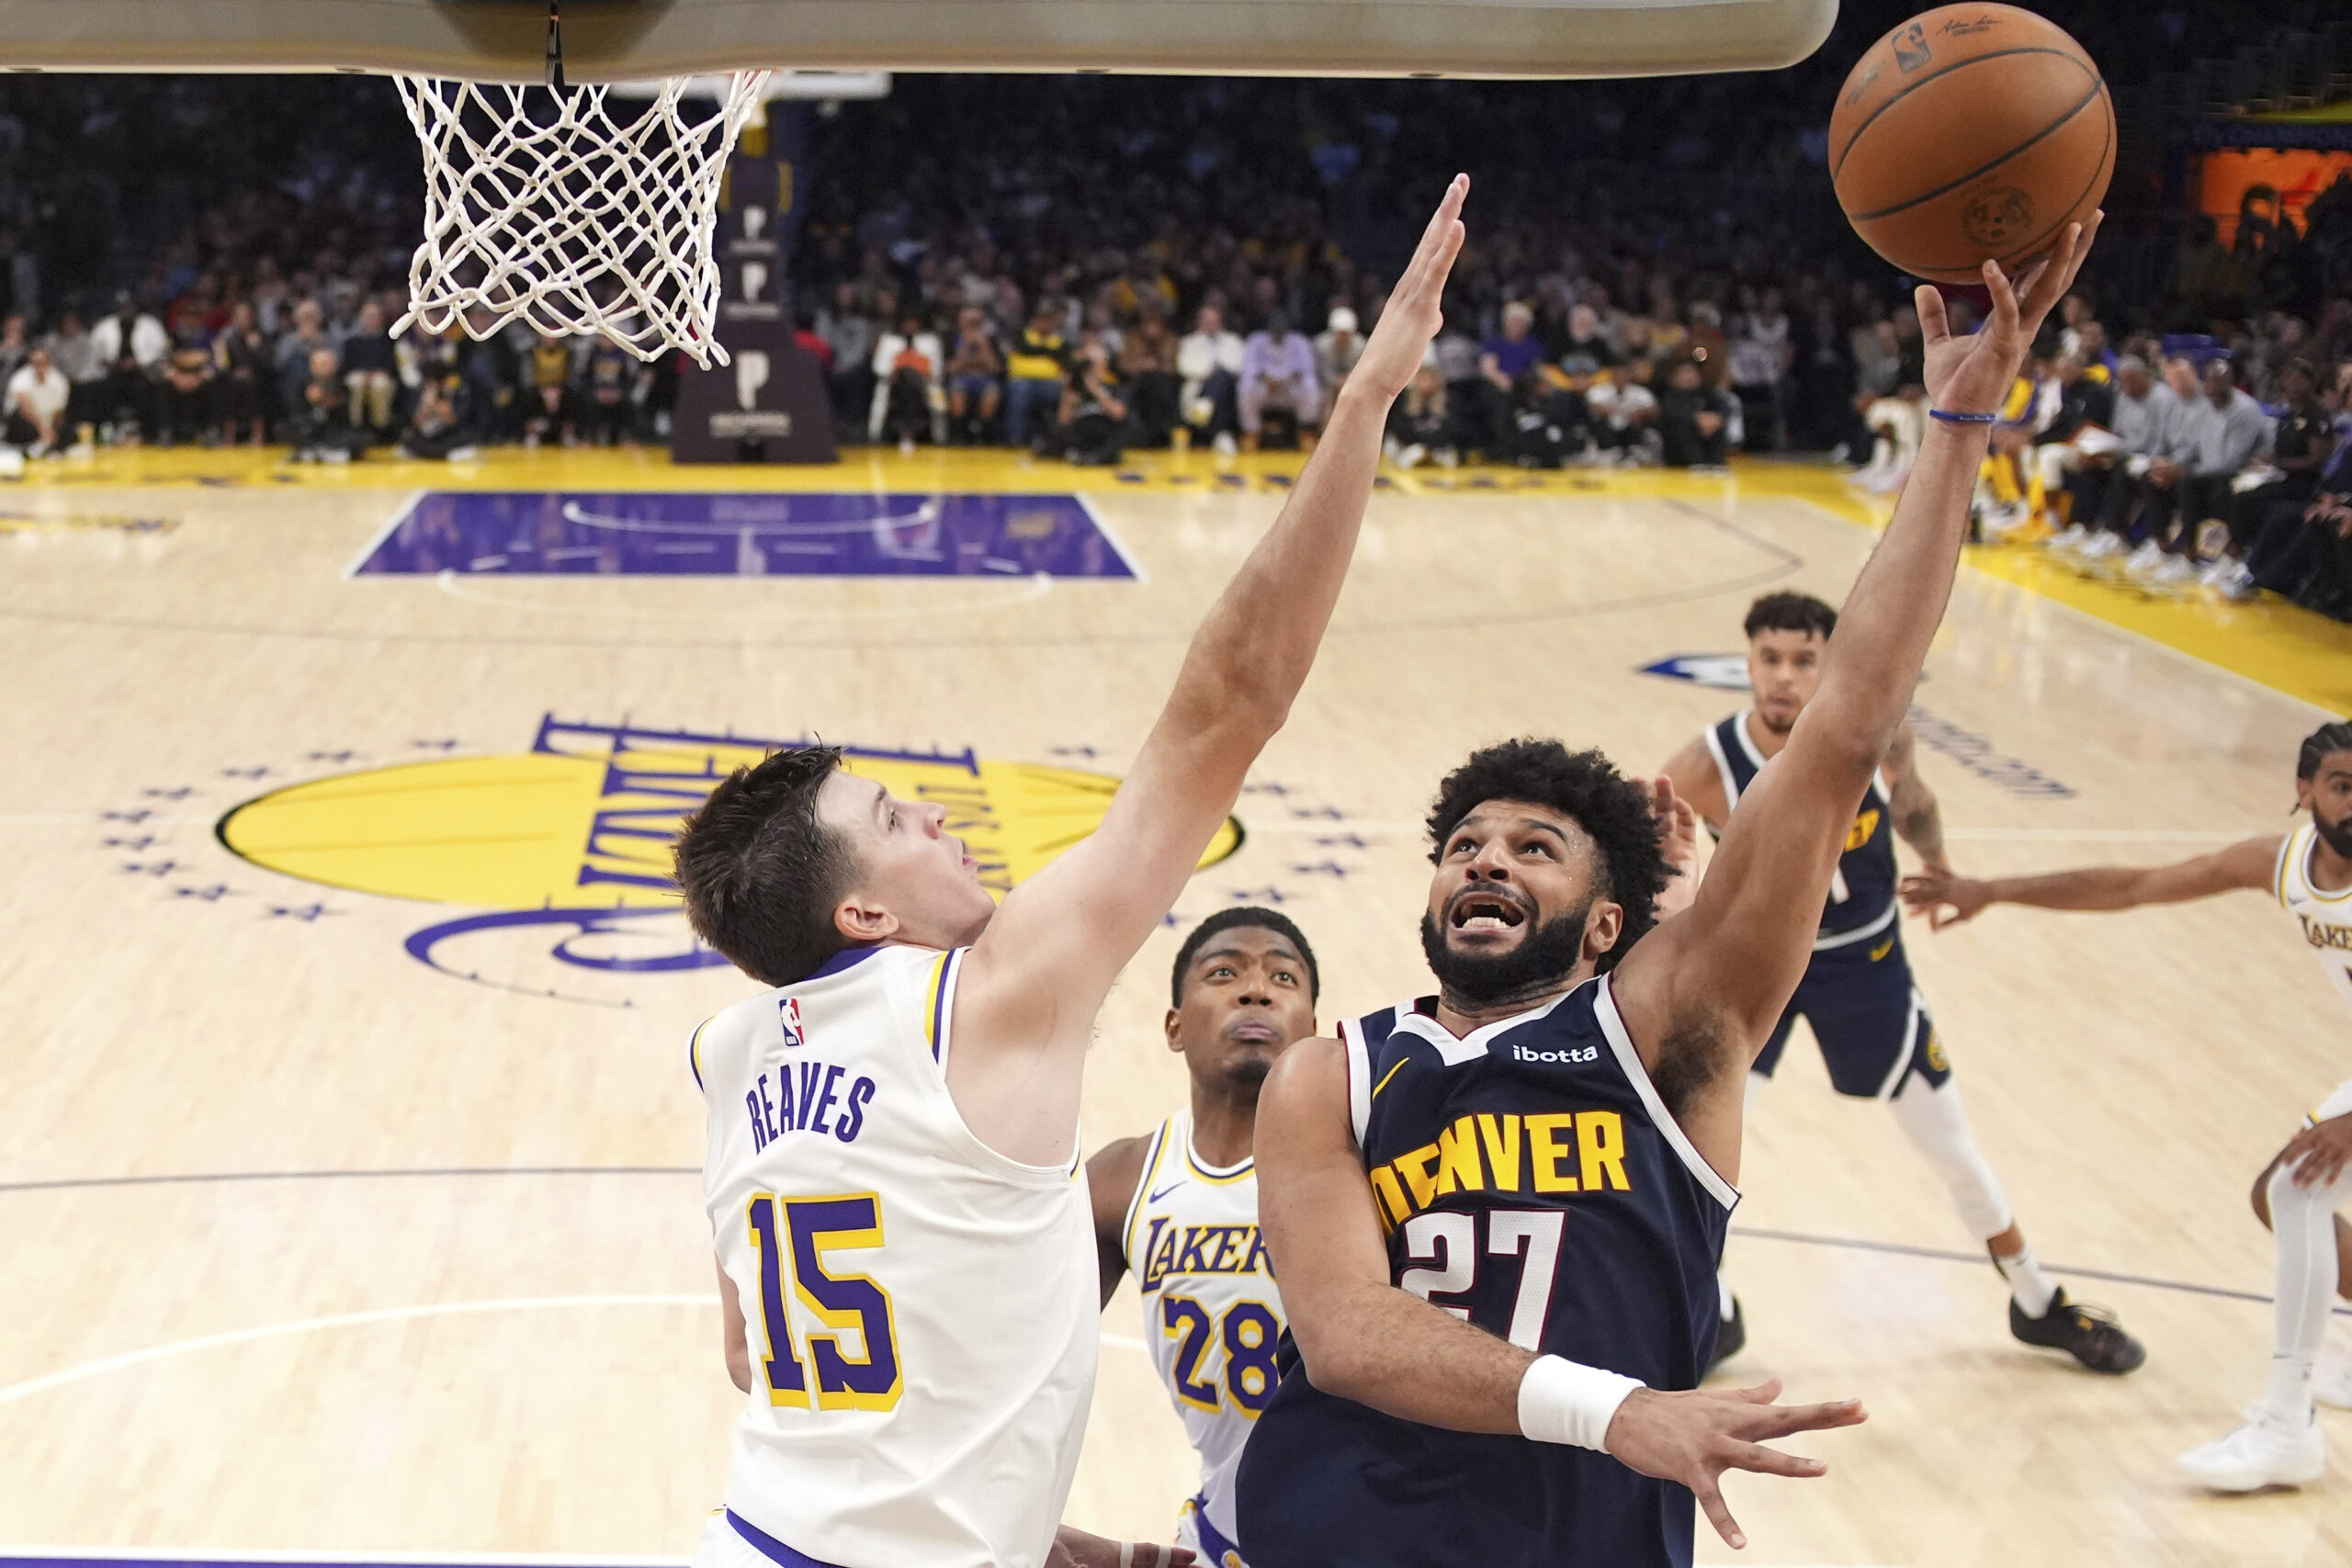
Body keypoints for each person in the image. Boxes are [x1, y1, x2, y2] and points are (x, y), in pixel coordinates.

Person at [1235, 217, 2098, 1568]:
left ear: (1602, 920)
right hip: (1339, 1533)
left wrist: (1956, 425)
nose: (1485, 857)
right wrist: (1619, 1407)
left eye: (1533, 846)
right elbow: (1343, 1334)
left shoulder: (1667, 1023)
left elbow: (1845, 726)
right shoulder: (1331, 1074)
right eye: (1467, 839)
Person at [667, 176, 1469, 1568]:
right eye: (902, 819)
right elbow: (1231, 696)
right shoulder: (986, 993)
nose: (944, 821)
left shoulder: (732, 1048)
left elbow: (755, 1343)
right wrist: (1366, 402)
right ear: (863, 911)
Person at [1656, 591, 2144, 1376]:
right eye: (1770, 659)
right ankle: (1715, 1307)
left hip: (1867, 967)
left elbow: (1913, 805)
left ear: (1829, 665)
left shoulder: (1878, 743)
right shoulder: (1705, 766)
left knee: (1951, 1149)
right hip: (1758, 967)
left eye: (1804, 660)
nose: (1784, 677)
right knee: (1695, 1149)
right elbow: (1655, 863)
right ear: (1747, 666)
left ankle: (2038, 1300)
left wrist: (1941, 865)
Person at [1902, 721, 2352, 1492]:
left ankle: (2287, 1427)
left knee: (2295, 1189)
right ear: (2304, 791)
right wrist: (1993, 890)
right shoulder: (2281, 864)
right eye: (2343, 785)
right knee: (2282, 1197)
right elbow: (2134, 884)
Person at [1087, 908, 1321, 1568]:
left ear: (1315, 1032)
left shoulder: (1365, 1162)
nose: (1256, 989)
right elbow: (1020, 1349)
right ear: (1173, 1025)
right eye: (1224, 972)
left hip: (1368, 1535)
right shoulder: (1123, 1179)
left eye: (1284, 975)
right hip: (1225, 1537)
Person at [2127, 355, 2270, 585]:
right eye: (2210, 381)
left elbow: (2232, 462)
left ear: (2231, 382)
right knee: (2151, 476)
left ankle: (2202, 555)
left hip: (2238, 476)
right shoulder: (2206, 405)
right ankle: (2162, 546)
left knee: (2192, 484)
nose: (2212, 387)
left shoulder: (2245, 411)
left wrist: (2184, 471)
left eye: (2219, 381)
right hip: (2206, 472)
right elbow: (2194, 445)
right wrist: (2167, 464)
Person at [1238, 310, 1318, 454]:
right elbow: (1249, 368)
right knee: (1247, 387)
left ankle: (1306, 432)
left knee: (1309, 387)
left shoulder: (1299, 342)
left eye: (1281, 328)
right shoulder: (1256, 340)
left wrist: (1283, 380)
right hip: (1265, 388)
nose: (1278, 331)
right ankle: (1251, 432)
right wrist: (1269, 380)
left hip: (1290, 388)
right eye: (1275, 328)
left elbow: (1306, 369)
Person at [1177, 304, 1246, 455]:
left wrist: (1218, 370)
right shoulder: (1189, 342)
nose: (1211, 325)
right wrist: (1210, 370)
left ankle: (1207, 405)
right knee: (1219, 378)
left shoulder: (1233, 341)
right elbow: (1184, 367)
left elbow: (1239, 365)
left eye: (1214, 321)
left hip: (1229, 389)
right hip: (1199, 387)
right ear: (1199, 322)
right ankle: (1222, 435)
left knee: (1222, 378)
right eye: (1207, 321)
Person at [1003, 302, 1068, 451]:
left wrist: (1036, 351)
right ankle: (1015, 438)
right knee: (1020, 390)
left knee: (1063, 393)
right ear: (1033, 320)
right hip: (1021, 380)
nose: (1044, 323)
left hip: (1050, 383)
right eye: (1041, 319)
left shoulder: (1061, 341)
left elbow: (1065, 360)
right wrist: (1048, 352)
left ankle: (1056, 439)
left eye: (1048, 320)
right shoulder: (1021, 335)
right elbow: (1024, 349)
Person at [4, 344, 68, 455]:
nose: (39, 366)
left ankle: (45, 446)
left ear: (50, 363)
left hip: (48, 420)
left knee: (67, 431)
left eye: (43, 362)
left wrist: (52, 430)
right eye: (36, 363)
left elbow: (59, 412)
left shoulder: (59, 381)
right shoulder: (20, 378)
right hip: (26, 421)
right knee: (23, 425)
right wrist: (43, 429)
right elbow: (25, 408)